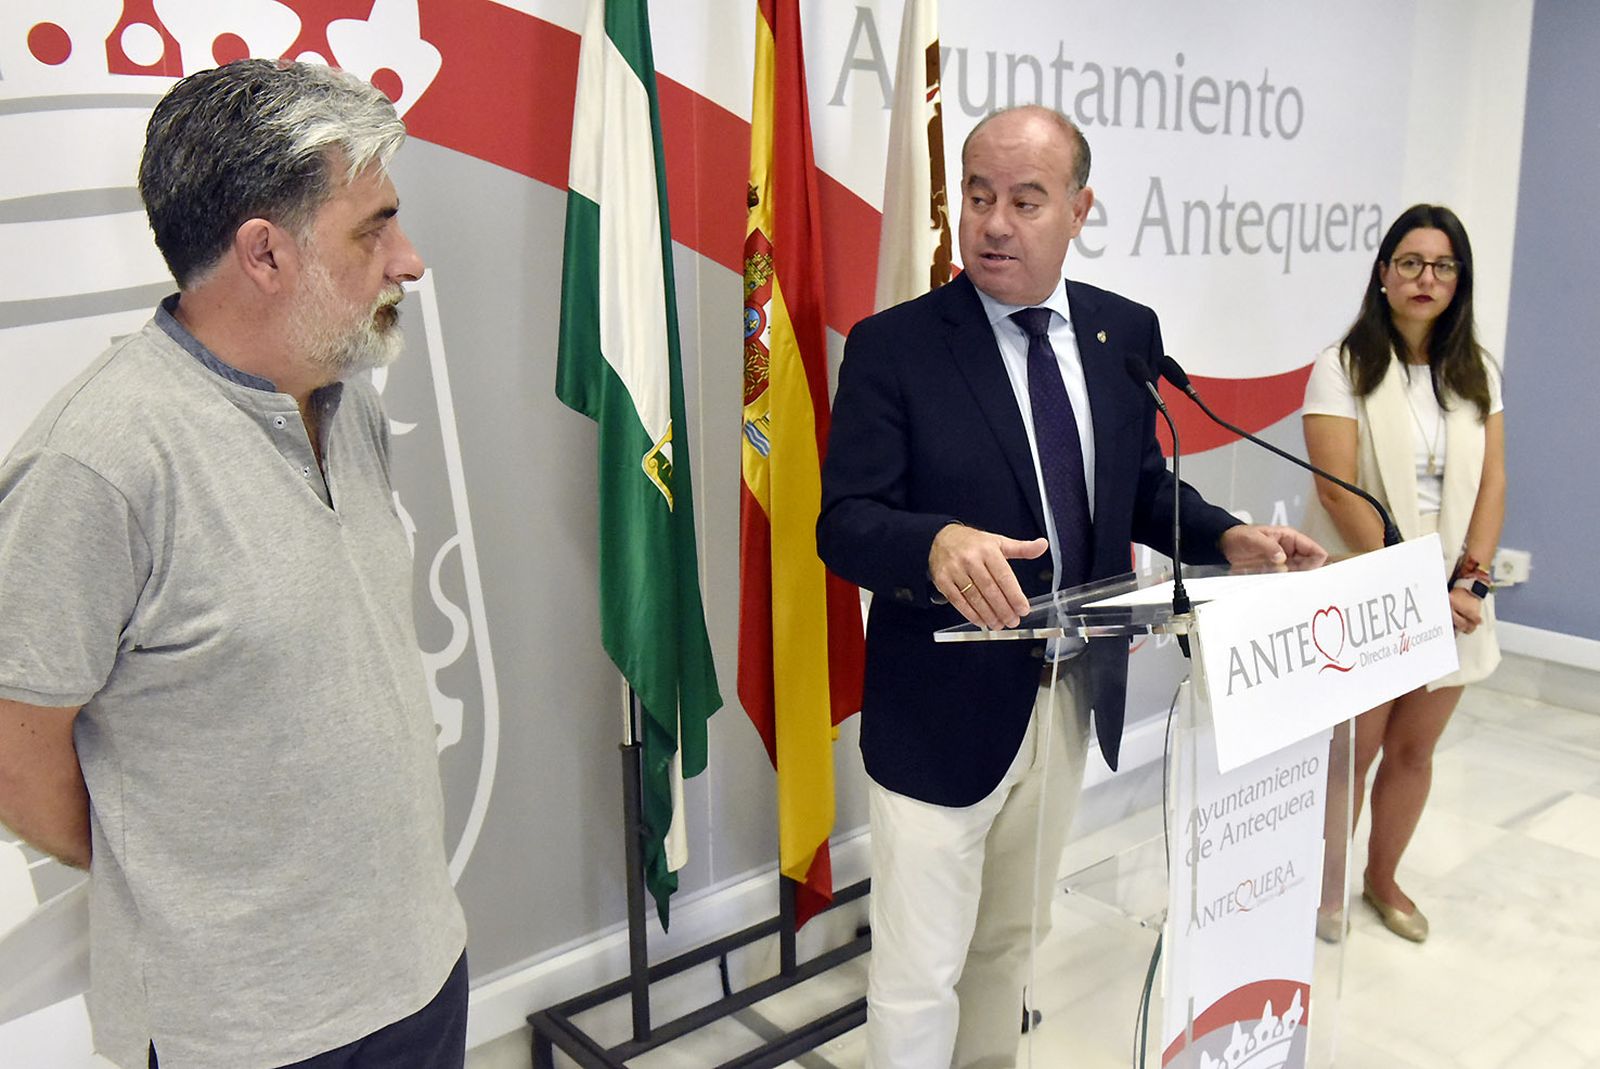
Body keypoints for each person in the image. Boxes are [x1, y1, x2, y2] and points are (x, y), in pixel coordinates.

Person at [817, 104, 1325, 1069]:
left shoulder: (1119, 333)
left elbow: (1130, 488)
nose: (995, 223)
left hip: (1066, 695)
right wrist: (932, 545)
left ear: (1080, 207)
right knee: (920, 970)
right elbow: (845, 524)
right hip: (940, 710)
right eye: (978, 196)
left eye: (1025, 199)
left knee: (1010, 944)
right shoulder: (897, 347)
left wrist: (1227, 538)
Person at [0, 60, 467, 1069]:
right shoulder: (100, 462)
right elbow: (15, 754)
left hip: (420, 970)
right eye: (372, 226)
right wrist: (192, 870)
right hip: (248, 1034)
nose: (409, 259)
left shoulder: (345, 399)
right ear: (264, 253)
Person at [1303, 204, 1505, 944]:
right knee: (1353, 751)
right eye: (1411, 262)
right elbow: (1336, 490)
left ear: (1460, 280)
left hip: (1454, 594)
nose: (1426, 277)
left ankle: (1381, 879)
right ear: (1383, 273)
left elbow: (1494, 483)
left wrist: (1470, 580)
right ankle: (1324, 889)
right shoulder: (1342, 364)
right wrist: (1413, 588)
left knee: (1415, 750)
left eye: (1443, 265)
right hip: (1371, 589)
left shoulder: (1475, 371)